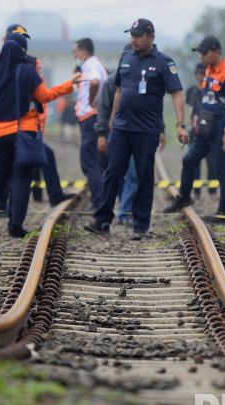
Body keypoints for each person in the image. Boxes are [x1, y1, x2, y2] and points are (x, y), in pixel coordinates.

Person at [84, 18, 188, 240]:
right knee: (112, 172)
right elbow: (120, 91)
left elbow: (177, 94)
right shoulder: (126, 57)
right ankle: (102, 220)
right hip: (122, 127)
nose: (133, 39)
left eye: (138, 35)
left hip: (146, 129)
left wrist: (180, 125)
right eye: (131, 35)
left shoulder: (163, 62)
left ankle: (140, 224)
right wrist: (113, 119)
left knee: (143, 176)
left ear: (151, 37)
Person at [0, 33, 82, 238]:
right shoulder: (27, 70)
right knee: (22, 180)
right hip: (23, 132)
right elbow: (44, 96)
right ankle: (15, 226)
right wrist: (70, 84)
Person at [164, 36, 225, 219]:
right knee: (189, 159)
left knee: (221, 169)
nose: (201, 57)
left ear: (217, 52)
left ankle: (224, 212)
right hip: (205, 128)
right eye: (200, 53)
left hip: (222, 128)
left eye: (205, 53)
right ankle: (183, 197)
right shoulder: (209, 72)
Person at [96, 45, 140, 227]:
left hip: (138, 132)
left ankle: (125, 212)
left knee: (133, 173)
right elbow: (103, 110)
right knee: (115, 173)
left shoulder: (143, 81)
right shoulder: (111, 81)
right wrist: (101, 134)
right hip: (115, 133)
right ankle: (120, 206)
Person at [73, 38, 108, 209]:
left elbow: (95, 82)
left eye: (75, 52)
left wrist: (92, 98)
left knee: (89, 162)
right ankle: (101, 201)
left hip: (90, 117)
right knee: (96, 162)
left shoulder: (92, 66)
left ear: (83, 52)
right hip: (92, 117)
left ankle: (99, 203)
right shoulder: (91, 66)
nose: (75, 56)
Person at [185, 64, 216, 198]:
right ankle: (196, 191)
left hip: (209, 130)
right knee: (194, 162)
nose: (201, 76)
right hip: (194, 130)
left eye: (204, 73)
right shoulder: (191, 91)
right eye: (200, 73)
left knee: (212, 163)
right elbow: (189, 109)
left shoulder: (211, 90)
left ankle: (212, 190)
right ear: (196, 75)